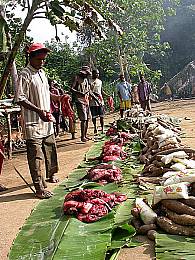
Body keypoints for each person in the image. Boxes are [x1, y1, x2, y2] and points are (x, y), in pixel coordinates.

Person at [16, 43, 67, 199]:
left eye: (44, 59)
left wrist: (58, 98)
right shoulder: (25, 74)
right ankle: (39, 187)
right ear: (30, 58)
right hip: (33, 123)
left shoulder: (42, 73)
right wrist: (38, 111)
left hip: (47, 121)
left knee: (50, 149)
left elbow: (46, 93)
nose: (42, 62)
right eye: (39, 59)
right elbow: (20, 98)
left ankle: (51, 174)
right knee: (36, 155)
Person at [71, 66, 91, 142]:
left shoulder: (86, 79)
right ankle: (82, 137)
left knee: (87, 118)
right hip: (79, 100)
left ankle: (85, 135)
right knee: (83, 119)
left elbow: (88, 90)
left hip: (86, 100)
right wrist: (79, 93)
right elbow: (71, 88)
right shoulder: (76, 78)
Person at [90, 69, 106, 134]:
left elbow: (101, 91)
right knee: (94, 116)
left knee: (101, 116)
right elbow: (89, 91)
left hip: (100, 101)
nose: (97, 75)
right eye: (96, 73)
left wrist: (107, 96)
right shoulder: (89, 81)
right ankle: (95, 127)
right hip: (92, 101)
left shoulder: (100, 81)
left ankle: (102, 129)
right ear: (92, 74)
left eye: (98, 73)